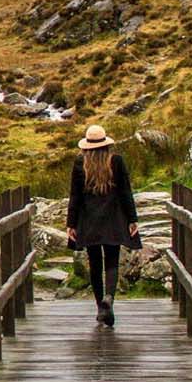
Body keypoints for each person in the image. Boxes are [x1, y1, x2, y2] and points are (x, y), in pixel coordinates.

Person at [66, 124, 141, 327]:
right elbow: (125, 192)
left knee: (95, 262)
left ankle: (101, 307)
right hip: (113, 219)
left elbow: (75, 196)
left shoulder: (80, 163)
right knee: (112, 261)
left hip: (89, 220)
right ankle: (109, 297)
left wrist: (71, 224)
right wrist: (132, 219)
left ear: (86, 146)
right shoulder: (116, 161)